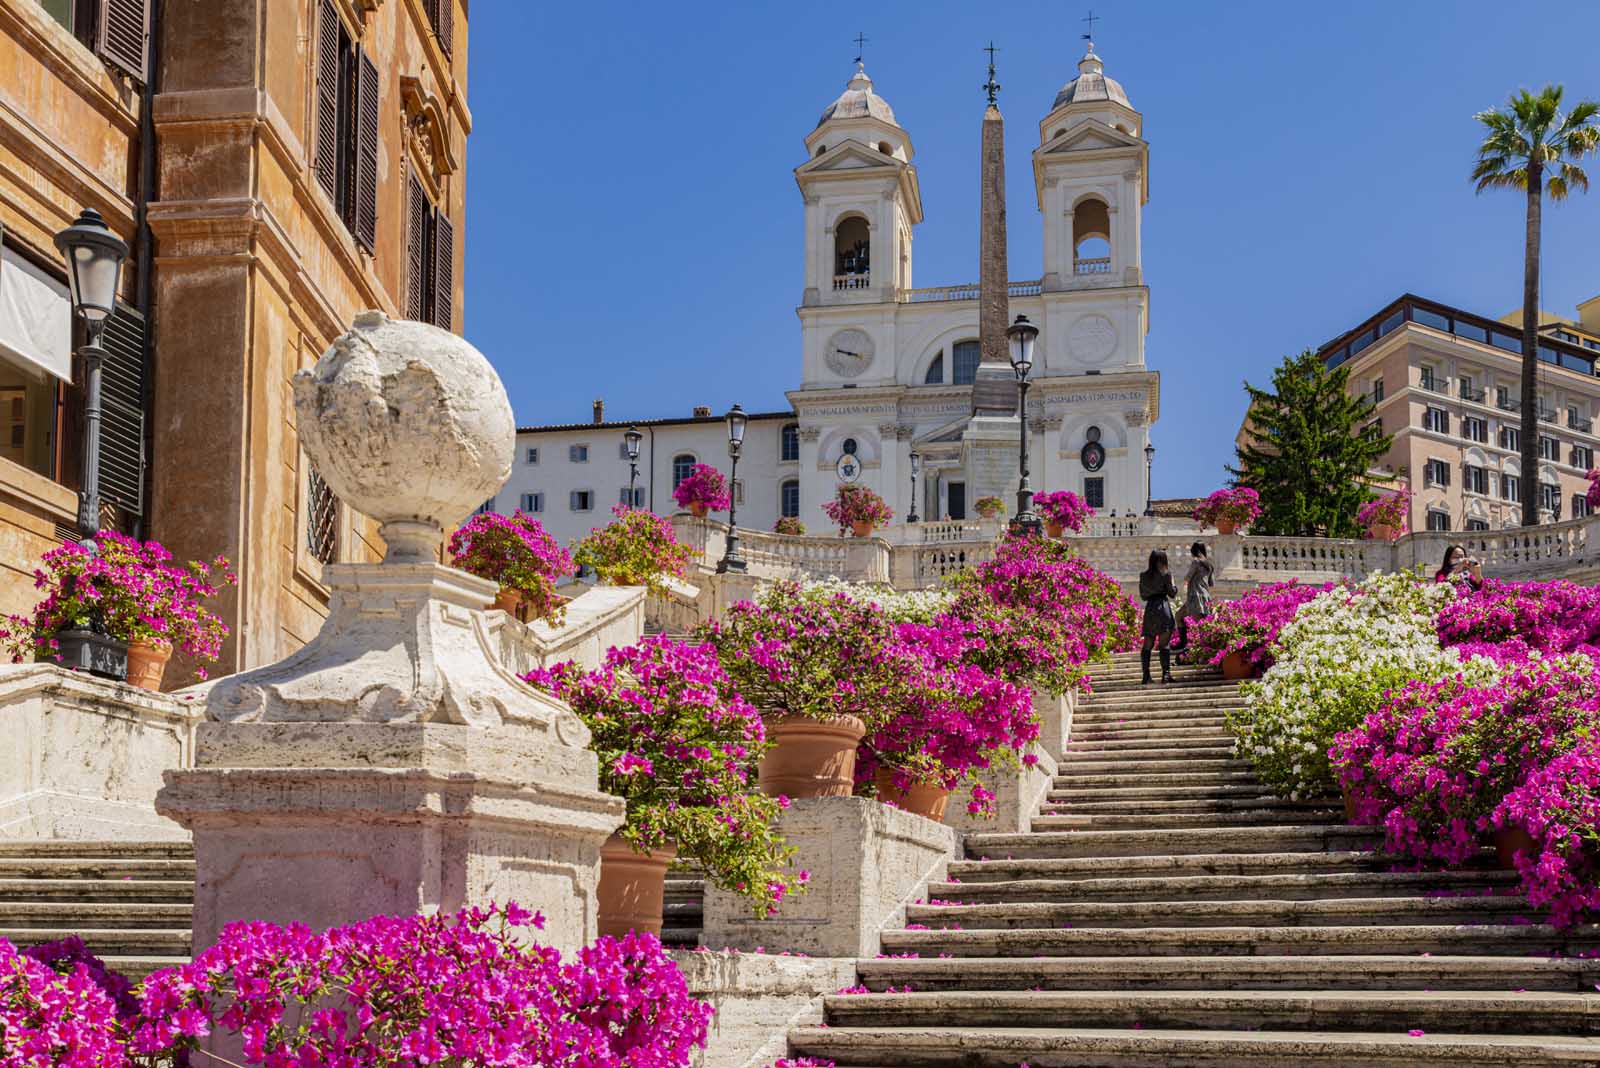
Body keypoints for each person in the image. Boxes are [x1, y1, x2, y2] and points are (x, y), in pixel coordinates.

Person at [1138, 549, 1178, 684]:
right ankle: (1165, 675)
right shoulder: (1166, 574)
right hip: (1162, 607)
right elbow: (1172, 594)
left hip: (1150, 609)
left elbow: (1143, 596)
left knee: (1148, 643)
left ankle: (1146, 676)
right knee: (1164, 644)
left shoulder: (1143, 576)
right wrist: (1172, 582)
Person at [1174, 541, 1214, 653]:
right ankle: (1183, 643)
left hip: (1195, 596)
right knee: (1179, 616)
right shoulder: (1209, 565)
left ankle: (1204, 649)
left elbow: (1188, 577)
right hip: (1205, 596)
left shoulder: (1196, 562)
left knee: (1200, 624)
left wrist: (1185, 586)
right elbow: (1211, 583)